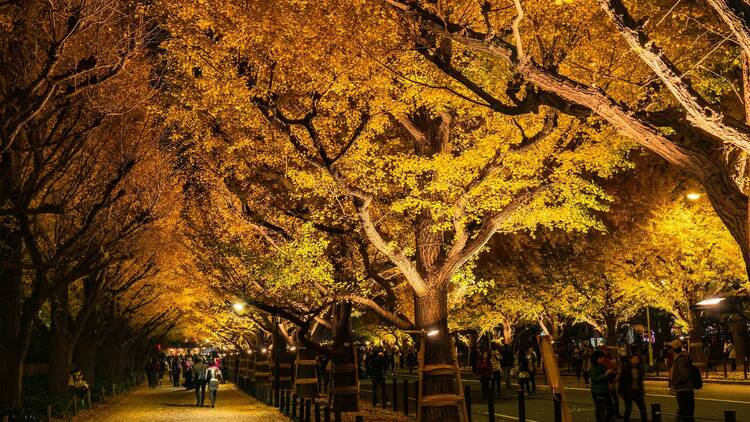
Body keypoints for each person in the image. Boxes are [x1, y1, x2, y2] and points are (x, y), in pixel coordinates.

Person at [618, 348, 647, 422]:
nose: (636, 360)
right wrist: (620, 392)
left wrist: (642, 391)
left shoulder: (639, 368)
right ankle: (626, 420)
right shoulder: (626, 368)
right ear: (630, 359)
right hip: (628, 391)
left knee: (643, 408)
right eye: (634, 358)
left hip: (637, 391)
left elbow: (640, 381)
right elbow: (621, 380)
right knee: (628, 408)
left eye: (637, 359)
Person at [670, 339, 695, 421]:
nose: (670, 350)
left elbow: (684, 374)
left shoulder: (681, 360)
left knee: (686, 413)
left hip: (684, 390)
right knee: (685, 413)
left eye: (671, 348)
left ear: (674, 349)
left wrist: (675, 382)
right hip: (683, 390)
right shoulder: (679, 359)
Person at [590, 350, 616, 422]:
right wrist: (605, 374)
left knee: (610, 409)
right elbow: (595, 379)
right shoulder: (593, 368)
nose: (602, 359)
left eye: (603, 357)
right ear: (596, 358)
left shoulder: (603, 366)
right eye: (600, 357)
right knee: (601, 411)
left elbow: (608, 377)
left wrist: (612, 373)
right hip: (598, 391)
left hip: (605, 390)